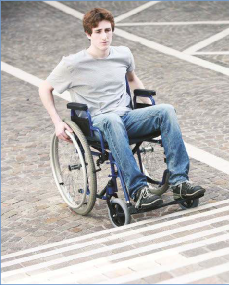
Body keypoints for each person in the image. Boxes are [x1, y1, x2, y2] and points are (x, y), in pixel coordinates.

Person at [39, 8, 205, 210]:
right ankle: (138, 190)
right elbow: (44, 88)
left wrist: (148, 105)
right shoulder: (73, 64)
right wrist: (57, 123)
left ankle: (179, 182)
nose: (104, 36)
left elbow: (132, 80)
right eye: (98, 31)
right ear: (88, 34)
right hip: (97, 123)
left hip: (126, 117)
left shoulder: (123, 54)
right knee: (111, 120)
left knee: (166, 110)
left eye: (108, 30)